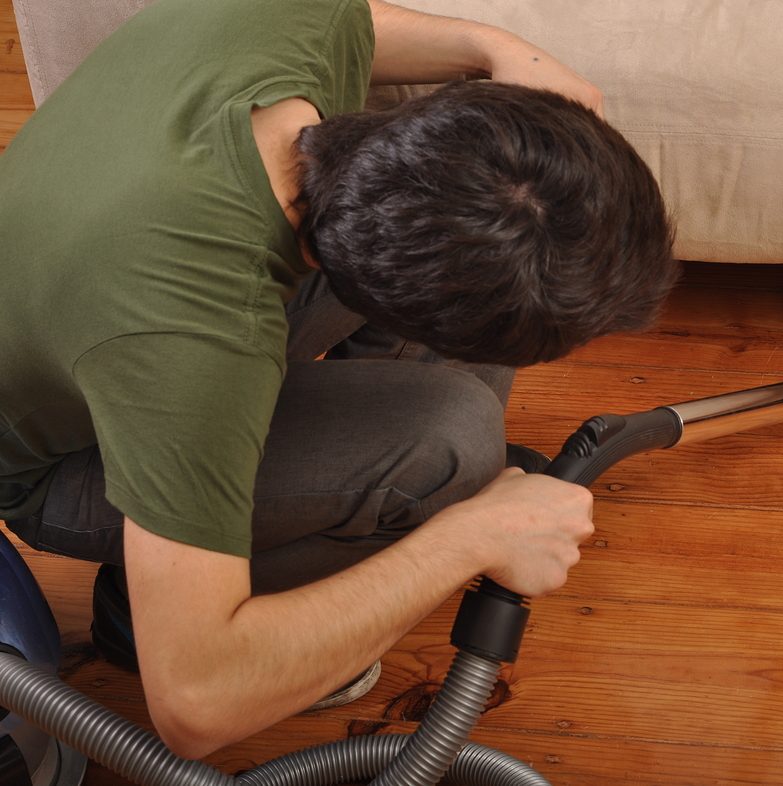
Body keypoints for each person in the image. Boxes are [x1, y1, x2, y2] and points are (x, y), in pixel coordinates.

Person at [0, 0, 677, 758]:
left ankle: (218, 548)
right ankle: (158, 600)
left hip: (100, 305)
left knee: (493, 289)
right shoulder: (190, 343)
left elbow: (356, 19)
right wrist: (467, 538)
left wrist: (491, 46)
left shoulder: (289, 24)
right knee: (451, 442)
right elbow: (196, 703)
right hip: (50, 457)